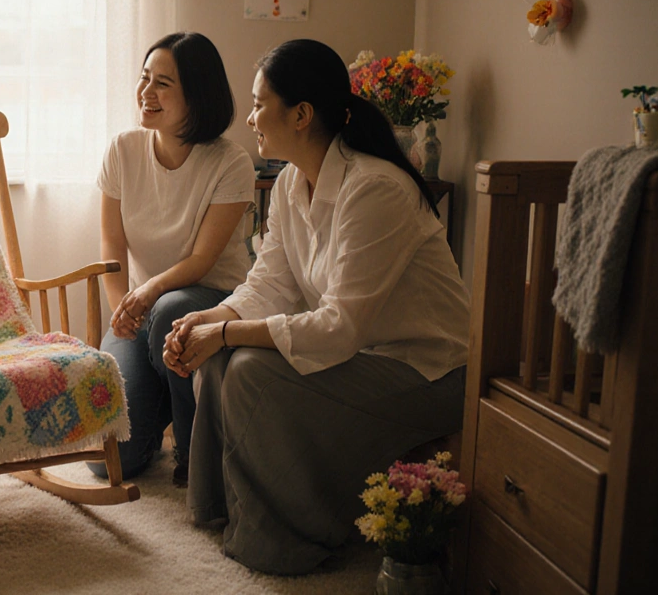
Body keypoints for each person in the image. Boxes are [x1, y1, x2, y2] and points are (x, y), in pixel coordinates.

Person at [164, 39, 469, 575]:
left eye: (259, 105)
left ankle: (284, 540)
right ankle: (220, 508)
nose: (251, 118)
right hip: (367, 357)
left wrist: (228, 334)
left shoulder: (375, 189)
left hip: (428, 372)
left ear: (301, 114)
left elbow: (339, 328)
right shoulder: (288, 183)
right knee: (217, 352)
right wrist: (207, 322)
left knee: (251, 368)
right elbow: (268, 283)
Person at [93, 32, 255, 486]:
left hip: (209, 300)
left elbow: (202, 259)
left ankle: (192, 453)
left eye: (162, 83)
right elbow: (111, 244)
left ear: (197, 97)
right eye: (145, 78)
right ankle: (163, 397)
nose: (146, 91)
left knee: (171, 309)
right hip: (147, 309)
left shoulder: (231, 162)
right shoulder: (123, 150)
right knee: (109, 460)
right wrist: (121, 310)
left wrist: (147, 292)